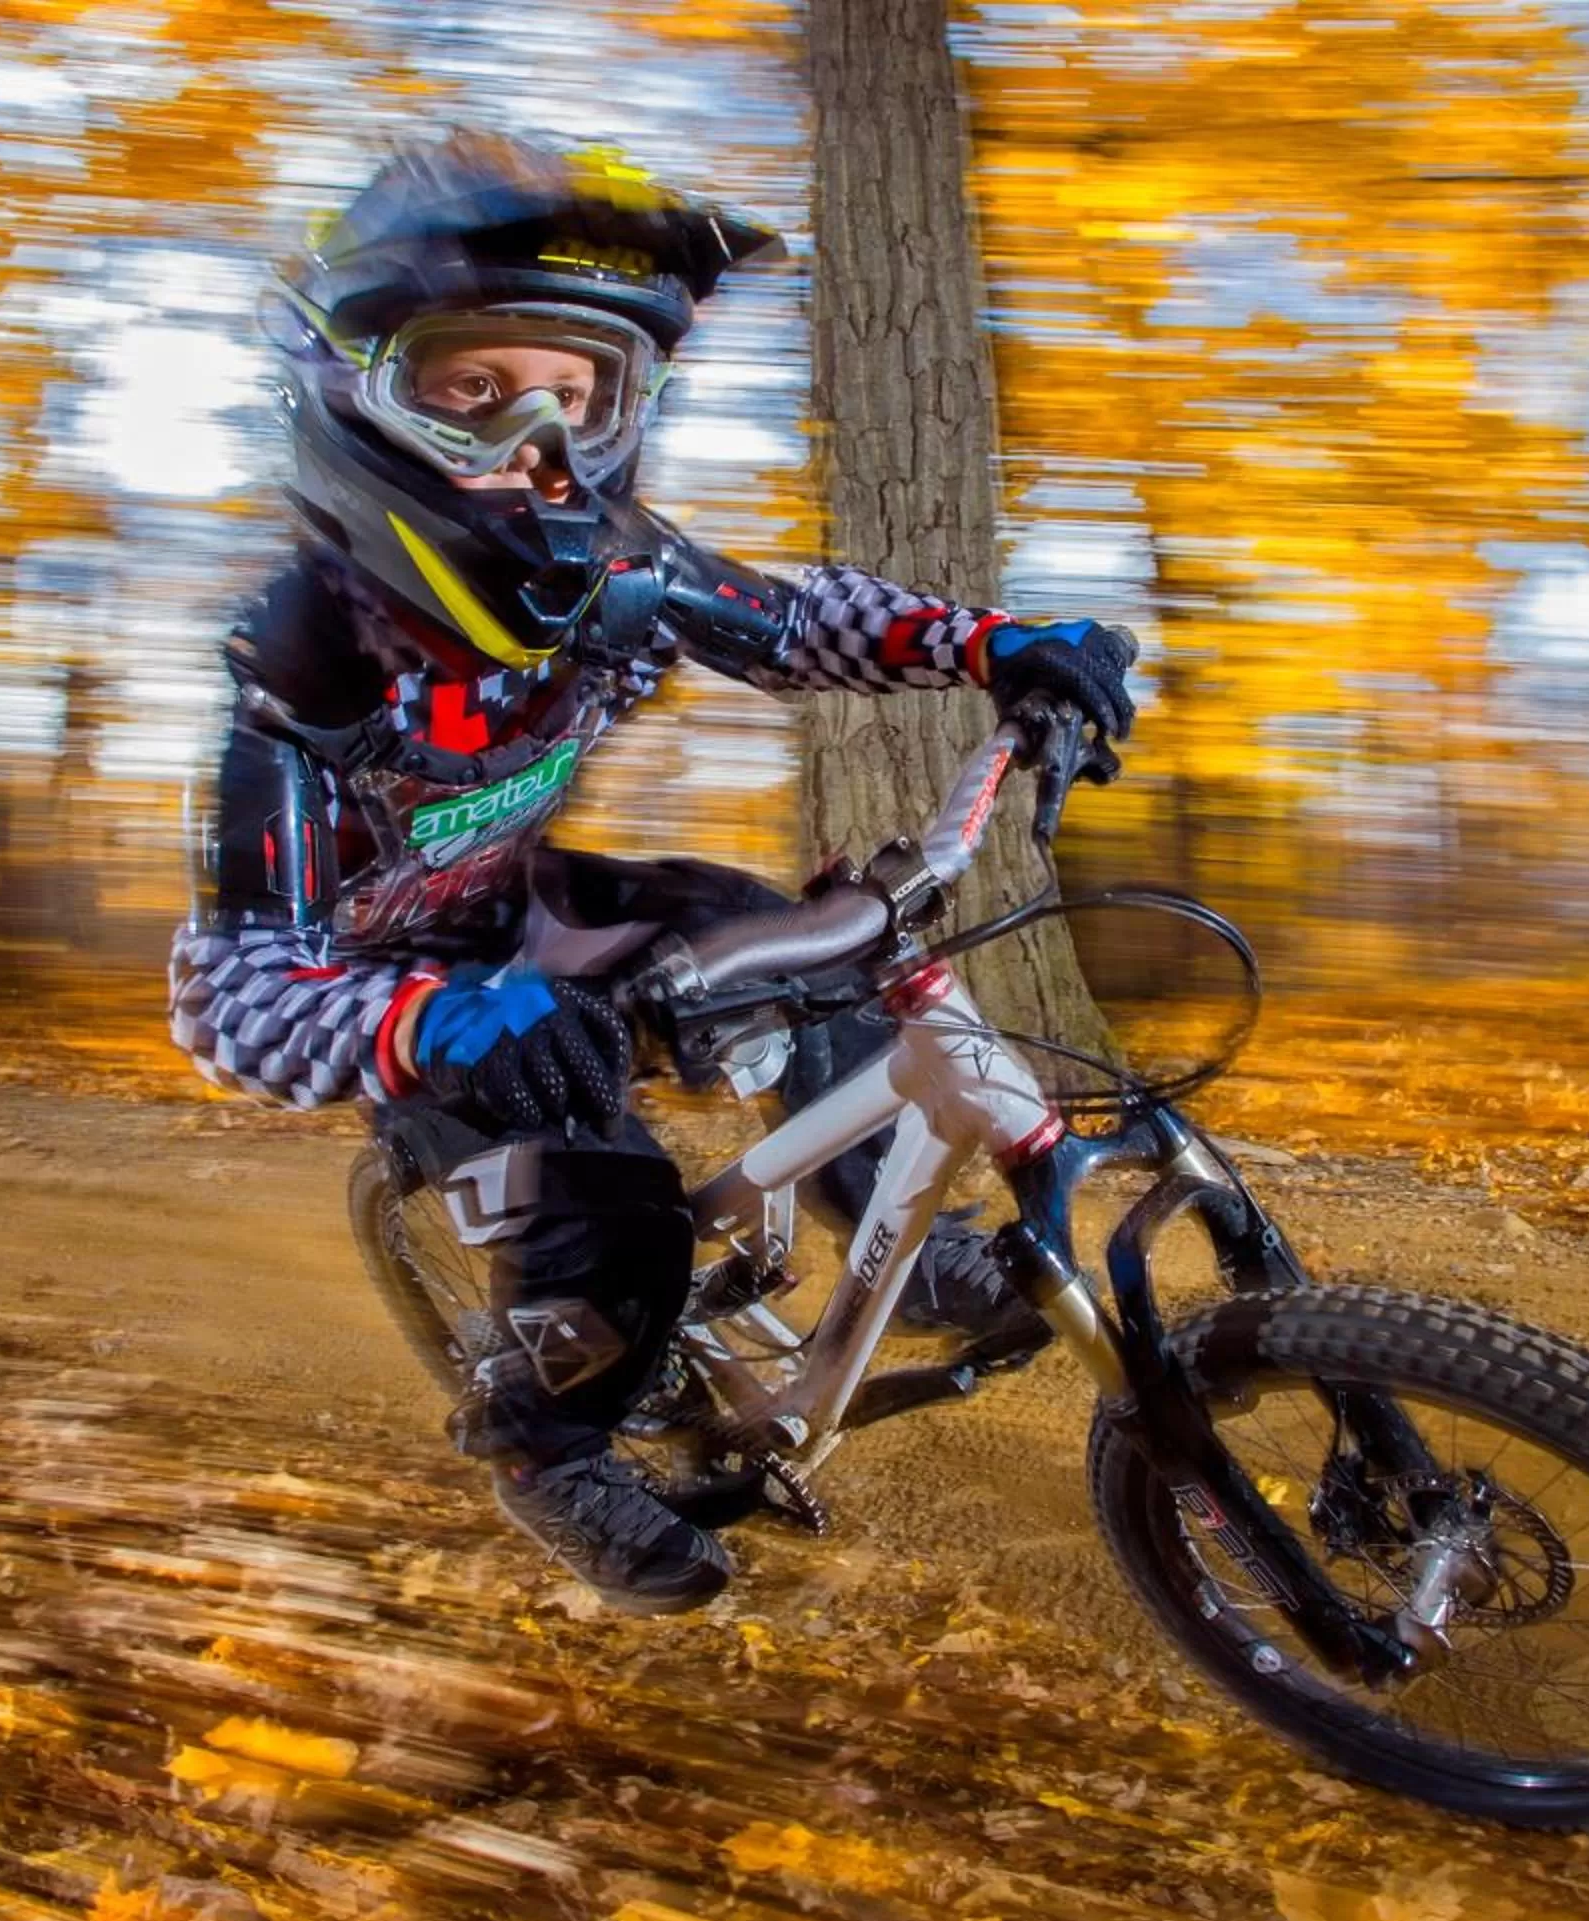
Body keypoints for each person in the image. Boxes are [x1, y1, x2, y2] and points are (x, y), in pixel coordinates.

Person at [168, 130, 1135, 1615]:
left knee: (801, 944)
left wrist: (998, 644)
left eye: (579, 394)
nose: (537, 449)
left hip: (523, 906)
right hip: (393, 990)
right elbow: (229, 987)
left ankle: (917, 1259)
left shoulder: (618, 572)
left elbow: (798, 617)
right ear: (349, 395)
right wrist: (434, 1027)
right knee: (609, 1211)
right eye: (472, 394)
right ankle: (543, 1450)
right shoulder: (303, 668)